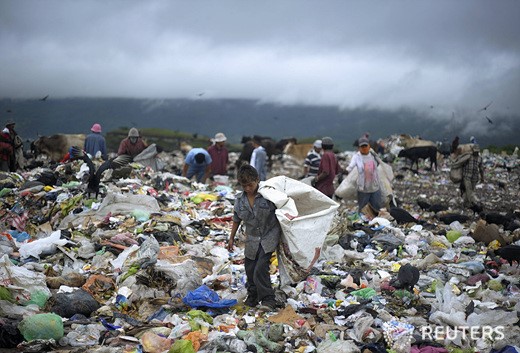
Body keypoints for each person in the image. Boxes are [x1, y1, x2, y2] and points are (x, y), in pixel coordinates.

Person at [227, 164, 281, 311]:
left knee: (260, 268)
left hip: (268, 236)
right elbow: (237, 219)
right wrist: (231, 238)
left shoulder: (268, 195)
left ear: (257, 180)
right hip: (252, 238)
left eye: (250, 185)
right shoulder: (240, 200)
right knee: (250, 268)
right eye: (244, 186)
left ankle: (269, 300)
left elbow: (283, 210)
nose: (248, 189)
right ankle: (253, 297)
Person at [346, 136, 384, 214]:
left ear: (369, 146)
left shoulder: (373, 154)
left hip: (375, 187)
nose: (364, 148)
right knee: (362, 208)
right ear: (359, 148)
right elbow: (350, 166)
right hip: (363, 188)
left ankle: (375, 222)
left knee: (376, 207)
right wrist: (345, 171)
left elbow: (380, 165)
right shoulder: (357, 157)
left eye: (365, 146)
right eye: (362, 146)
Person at [461, 144, 484, 208]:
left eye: (477, 151)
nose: (476, 152)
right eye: (475, 151)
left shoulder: (480, 158)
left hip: (475, 177)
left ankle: (465, 203)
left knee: (470, 191)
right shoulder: (468, 157)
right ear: (472, 150)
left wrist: (482, 178)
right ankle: (469, 204)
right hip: (467, 176)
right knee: (468, 189)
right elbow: (461, 164)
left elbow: (481, 169)